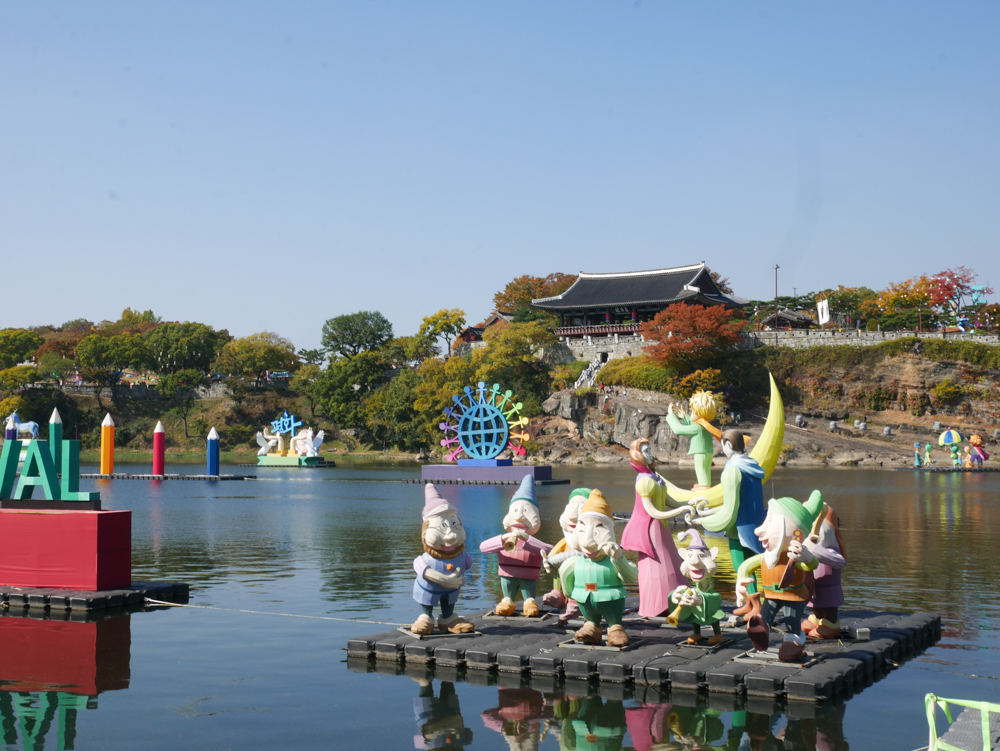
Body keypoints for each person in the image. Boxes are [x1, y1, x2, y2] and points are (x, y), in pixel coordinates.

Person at [620, 438, 690, 618]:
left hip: (661, 528)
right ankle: (655, 605)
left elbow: (667, 501)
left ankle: (674, 601)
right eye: (645, 451)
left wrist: (689, 503)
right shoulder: (644, 481)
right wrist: (680, 511)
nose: (650, 454)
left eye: (650, 450)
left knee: (671, 561)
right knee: (657, 564)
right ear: (637, 455)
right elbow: (652, 511)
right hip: (651, 529)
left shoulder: (654, 477)